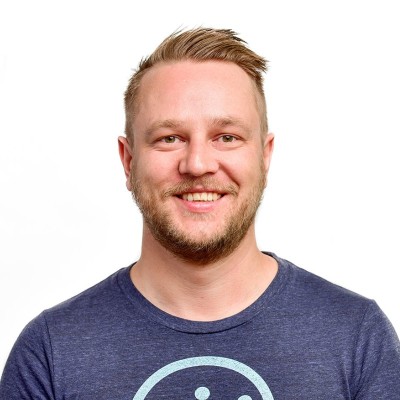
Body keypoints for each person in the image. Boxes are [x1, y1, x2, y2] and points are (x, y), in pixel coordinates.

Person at [1, 27, 399, 400]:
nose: (197, 164)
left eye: (227, 137)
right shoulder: (50, 351)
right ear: (128, 160)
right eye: (169, 138)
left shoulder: (357, 337)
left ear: (264, 156)